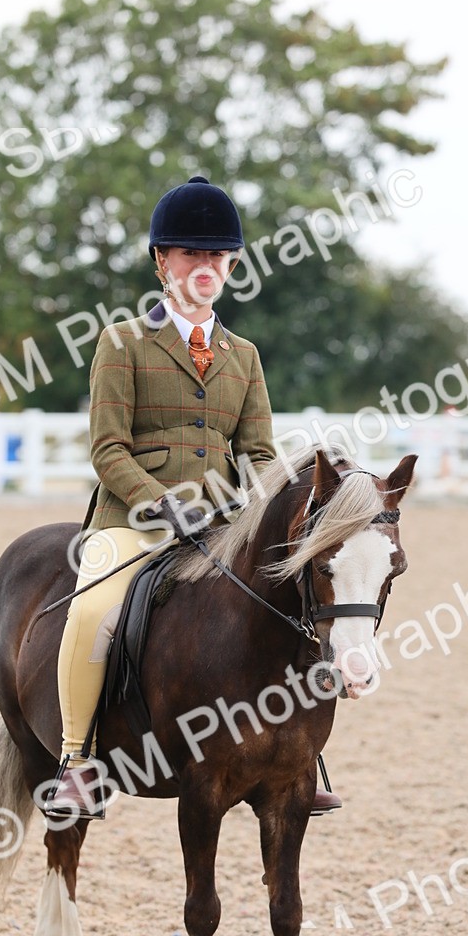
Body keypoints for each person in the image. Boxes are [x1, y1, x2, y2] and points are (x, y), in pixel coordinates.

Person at [47, 175, 342, 818]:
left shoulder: (245, 355)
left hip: (223, 522)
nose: (205, 266)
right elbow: (108, 449)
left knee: (294, 599)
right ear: (163, 262)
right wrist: (160, 503)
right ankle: (77, 759)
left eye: (217, 256)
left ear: (233, 264)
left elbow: (259, 451)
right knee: (93, 612)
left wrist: (267, 500)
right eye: (190, 254)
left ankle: (302, 752)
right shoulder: (121, 343)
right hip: (133, 521)